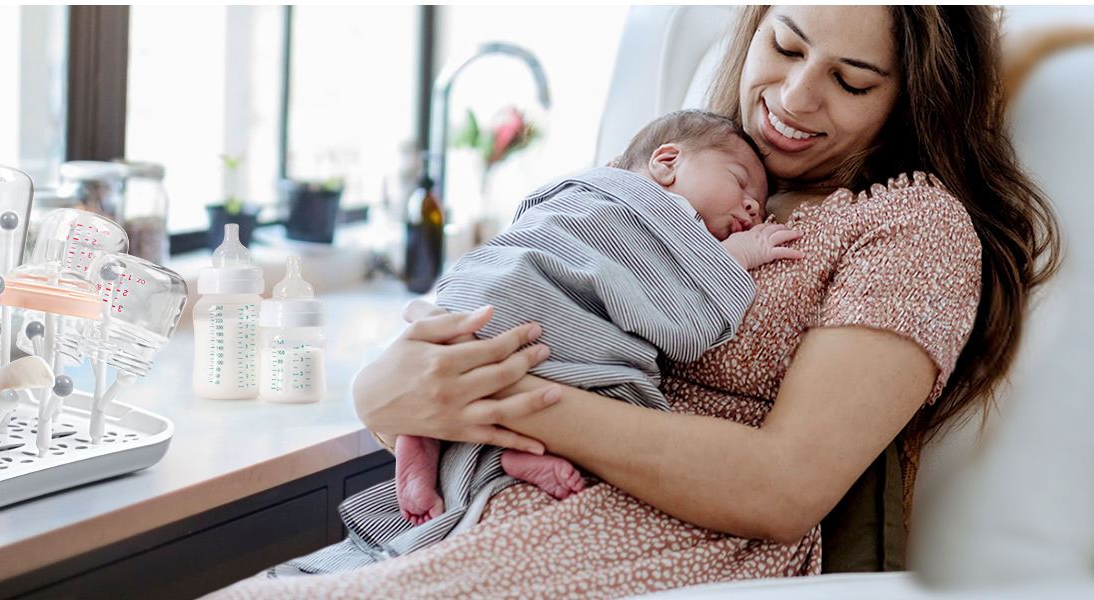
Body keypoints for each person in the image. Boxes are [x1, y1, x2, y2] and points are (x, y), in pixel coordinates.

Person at [207, 5, 1060, 599]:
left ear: (912, 99)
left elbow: (783, 486)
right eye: (787, 45)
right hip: (488, 493)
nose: (796, 98)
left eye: (852, 80)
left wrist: (507, 401)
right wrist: (382, 390)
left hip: (669, 535)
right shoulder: (680, 167)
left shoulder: (913, 228)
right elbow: (521, 285)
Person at [394, 110, 804, 526]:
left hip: (479, 295)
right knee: (618, 398)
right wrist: (742, 254)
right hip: (539, 301)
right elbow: (693, 287)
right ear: (666, 163)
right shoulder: (658, 211)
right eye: (739, 182)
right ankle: (521, 448)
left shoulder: (586, 187)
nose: (753, 207)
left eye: (759, 204)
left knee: (465, 367)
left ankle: (427, 441)